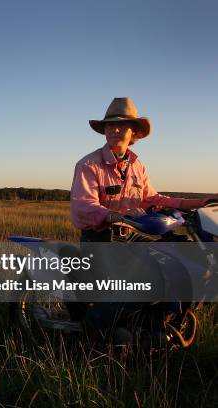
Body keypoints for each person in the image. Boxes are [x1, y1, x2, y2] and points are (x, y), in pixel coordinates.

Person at [70, 97, 217, 340]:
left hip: (132, 239)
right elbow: (82, 207)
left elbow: (153, 198)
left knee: (173, 267)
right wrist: (116, 215)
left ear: (134, 132)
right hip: (100, 239)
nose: (114, 130)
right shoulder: (89, 165)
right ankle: (91, 332)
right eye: (109, 125)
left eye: (122, 125)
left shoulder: (136, 165)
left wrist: (200, 203)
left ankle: (154, 325)